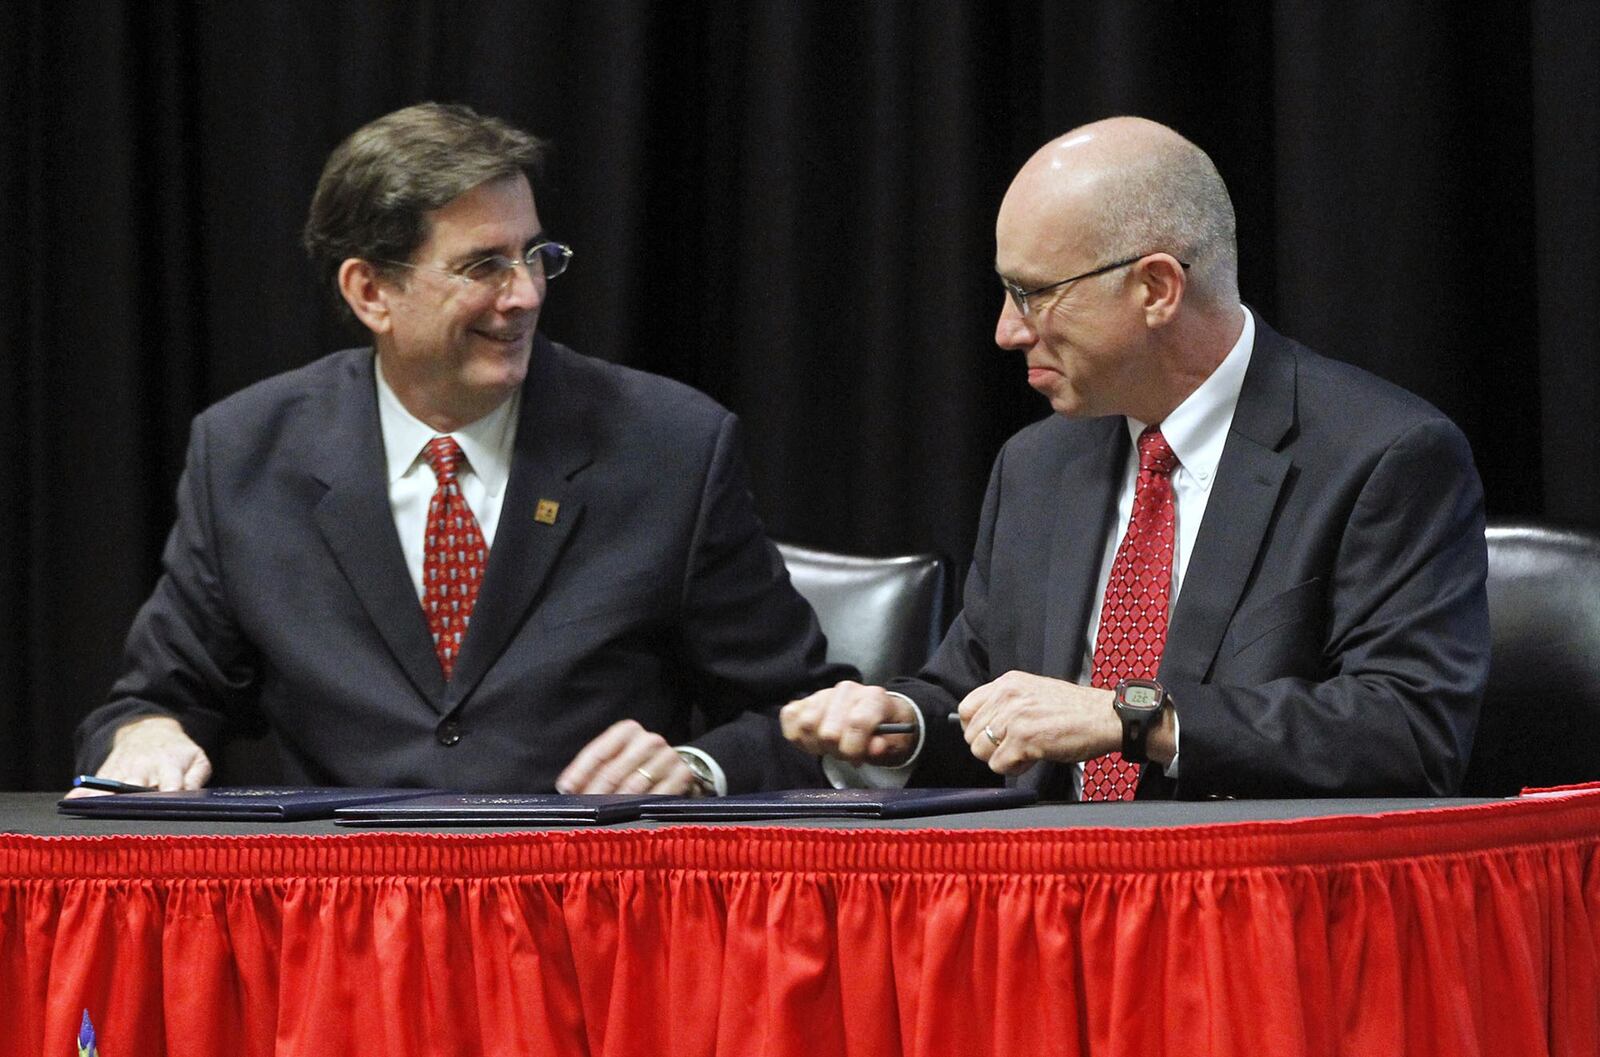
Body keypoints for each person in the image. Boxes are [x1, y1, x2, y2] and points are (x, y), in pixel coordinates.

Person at [74, 102, 850, 797]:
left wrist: (698, 766)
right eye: (484, 266)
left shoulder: (670, 445)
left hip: (590, 911)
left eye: (536, 256)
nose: (526, 295)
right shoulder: (246, 453)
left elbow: (801, 713)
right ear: (369, 291)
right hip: (345, 921)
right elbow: (155, 701)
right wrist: (144, 734)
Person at [781, 117, 1490, 799]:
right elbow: (982, 697)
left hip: (1247, 901)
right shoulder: (1035, 467)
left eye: (1033, 295)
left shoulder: (1382, 457)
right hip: (1045, 902)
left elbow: (1410, 731)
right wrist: (900, 729)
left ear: (1156, 289)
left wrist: (1135, 717)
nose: (1006, 330)